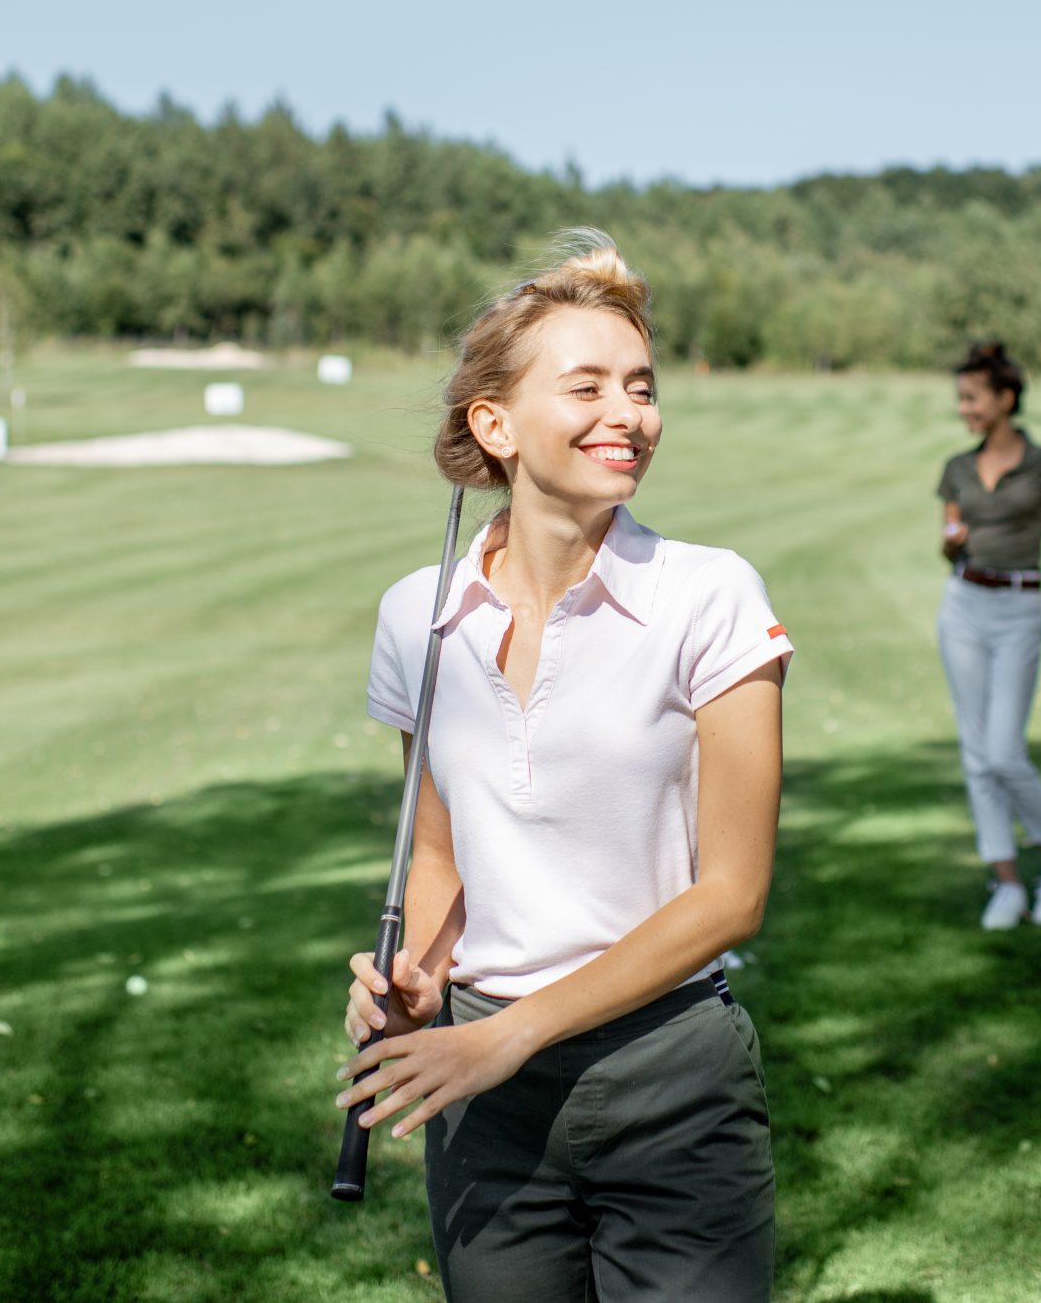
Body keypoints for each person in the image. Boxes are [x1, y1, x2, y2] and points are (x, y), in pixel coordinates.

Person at [334, 232, 792, 1302]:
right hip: (483, 1101)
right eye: (585, 385)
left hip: (671, 1081)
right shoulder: (418, 614)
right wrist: (418, 982)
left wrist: (508, 1032)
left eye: (639, 386)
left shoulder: (710, 595)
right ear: (492, 425)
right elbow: (437, 852)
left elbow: (734, 894)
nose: (626, 414)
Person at [934, 341, 1041, 929]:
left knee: (1004, 751)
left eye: (973, 398)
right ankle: (1008, 884)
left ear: (1006, 398)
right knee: (977, 756)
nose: (965, 408)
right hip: (964, 603)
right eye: (962, 399)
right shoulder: (957, 468)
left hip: (1022, 606)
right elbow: (946, 535)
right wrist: (950, 539)